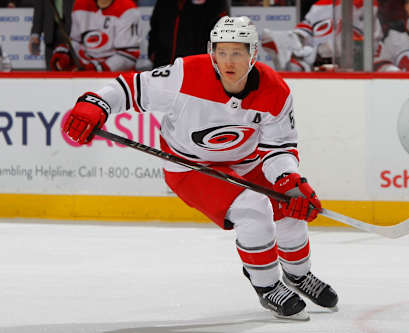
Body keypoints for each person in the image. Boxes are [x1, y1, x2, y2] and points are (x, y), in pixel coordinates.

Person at [62, 16, 338, 320]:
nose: (229, 61)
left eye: (237, 52)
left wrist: (288, 178)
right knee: (254, 209)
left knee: (289, 207)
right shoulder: (185, 75)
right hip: (190, 167)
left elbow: (278, 148)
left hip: (246, 162)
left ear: (253, 53)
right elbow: (128, 88)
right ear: (212, 52)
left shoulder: (276, 91)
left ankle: (298, 275)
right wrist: (95, 104)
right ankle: (268, 285)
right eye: (222, 52)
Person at [261, 0, 383, 71]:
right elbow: (306, 31)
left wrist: (315, 53)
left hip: (352, 71)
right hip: (319, 68)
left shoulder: (367, 5)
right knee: (294, 66)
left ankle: (305, 57)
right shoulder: (321, 5)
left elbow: (366, 47)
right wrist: (293, 39)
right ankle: (297, 56)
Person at [50, 0, 141, 71]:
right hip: (87, 70)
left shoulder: (127, 8)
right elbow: (76, 41)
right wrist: (65, 52)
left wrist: (96, 69)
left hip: (115, 77)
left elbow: (128, 57)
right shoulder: (81, 3)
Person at [148, 0, 228, 68]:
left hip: (194, 65)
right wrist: (152, 51)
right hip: (163, 64)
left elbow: (219, 31)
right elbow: (155, 26)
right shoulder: (164, 3)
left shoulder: (215, 3)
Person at [29, 0, 75, 70]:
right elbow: (39, 11)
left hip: (71, 34)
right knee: (51, 71)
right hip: (51, 34)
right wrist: (35, 34)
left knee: (71, 71)